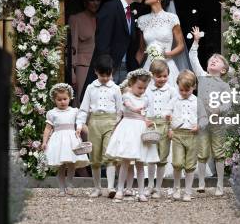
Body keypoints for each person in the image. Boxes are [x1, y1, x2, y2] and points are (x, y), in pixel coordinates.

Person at [83, 0, 148, 95]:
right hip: (110, 69)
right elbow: (102, 43)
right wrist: (106, 72)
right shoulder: (110, 8)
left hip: (126, 68)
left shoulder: (131, 12)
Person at [189, 26, 232, 196]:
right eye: (211, 59)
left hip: (217, 122)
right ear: (207, 67)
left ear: (223, 70)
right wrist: (196, 41)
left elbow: (228, 104)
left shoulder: (224, 85)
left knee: (219, 152)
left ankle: (220, 184)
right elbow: (193, 58)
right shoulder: (202, 76)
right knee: (202, 151)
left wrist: (219, 109)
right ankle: (201, 181)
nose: (213, 60)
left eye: (217, 60)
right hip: (202, 121)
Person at [105, 69, 158, 202]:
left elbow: (144, 115)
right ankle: (119, 190)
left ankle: (140, 192)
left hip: (140, 130)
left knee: (140, 164)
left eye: (144, 88)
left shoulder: (145, 98)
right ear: (131, 84)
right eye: (139, 87)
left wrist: (148, 122)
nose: (142, 90)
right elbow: (128, 106)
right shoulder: (127, 96)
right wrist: (135, 109)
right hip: (128, 129)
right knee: (125, 161)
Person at [76, 54, 122, 198]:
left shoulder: (115, 88)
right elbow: (84, 108)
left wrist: (117, 124)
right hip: (94, 123)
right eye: (102, 75)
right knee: (94, 156)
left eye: (108, 75)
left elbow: (119, 110)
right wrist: (79, 124)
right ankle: (97, 187)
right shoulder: (91, 88)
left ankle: (110, 187)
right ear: (96, 71)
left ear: (112, 72)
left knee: (109, 154)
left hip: (110, 123)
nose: (105, 78)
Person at [42, 83, 89, 196]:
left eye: (65, 99)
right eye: (59, 99)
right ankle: (61, 188)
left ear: (70, 98)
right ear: (54, 100)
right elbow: (48, 129)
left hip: (71, 140)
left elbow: (81, 124)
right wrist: (44, 142)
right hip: (58, 141)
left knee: (71, 163)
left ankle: (69, 183)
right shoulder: (52, 113)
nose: (62, 102)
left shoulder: (74, 111)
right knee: (61, 166)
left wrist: (86, 133)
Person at [137, 0, 186, 87]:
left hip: (167, 66)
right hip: (148, 68)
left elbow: (181, 45)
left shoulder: (172, 18)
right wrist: (136, 71)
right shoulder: (142, 20)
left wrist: (167, 54)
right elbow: (141, 49)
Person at [69, 0, 106, 105]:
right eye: (91, 0)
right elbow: (73, 46)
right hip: (82, 67)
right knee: (82, 100)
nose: (95, 3)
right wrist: (72, 73)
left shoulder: (103, 18)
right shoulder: (76, 19)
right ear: (85, 1)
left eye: (98, 0)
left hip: (100, 67)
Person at [167, 70, 205, 202]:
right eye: (181, 90)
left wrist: (199, 126)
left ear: (193, 87)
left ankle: (188, 191)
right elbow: (167, 114)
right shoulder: (174, 100)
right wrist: (169, 126)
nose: (183, 93)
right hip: (178, 134)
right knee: (177, 163)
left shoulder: (198, 102)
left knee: (190, 165)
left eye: (186, 90)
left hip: (192, 135)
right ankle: (176, 188)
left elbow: (204, 118)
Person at [144, 59, 177, 199]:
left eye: (165, 76)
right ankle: (150, 185)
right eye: (159, 76)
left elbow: (175, 111)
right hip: (151, 125)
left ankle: (158, 187)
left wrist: (171, 128)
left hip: (164, 125)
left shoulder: (172, 91)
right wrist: (144, 120)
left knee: (162, 158)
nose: (162, 79)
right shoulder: (146, 90)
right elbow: (143, 107)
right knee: (151, 157)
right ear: (152, 76)